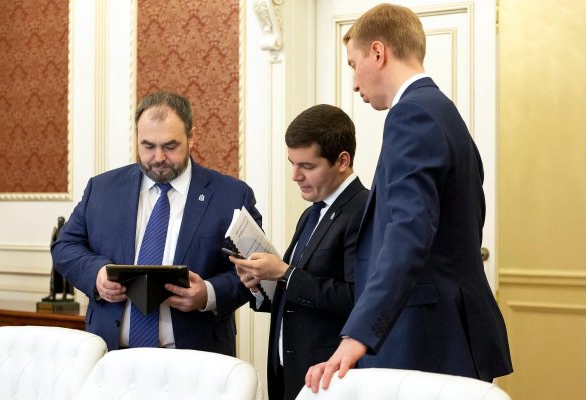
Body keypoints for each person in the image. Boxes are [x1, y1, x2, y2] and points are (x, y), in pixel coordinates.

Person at [306, 3, 513, 392]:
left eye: (353, 64)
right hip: (449, 330)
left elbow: (408, 232)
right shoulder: (442, 111)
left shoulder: (411, 115)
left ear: (378, 53)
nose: (354, 83)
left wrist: (359, 333)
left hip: (424, 336)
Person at [52, 92, 261, 355]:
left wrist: (208, 294)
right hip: (110, 356)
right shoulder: (102, 188)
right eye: (148, 146)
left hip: (198, 360)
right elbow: (65, 246)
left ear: (191, 137)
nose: (159, 157)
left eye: (170, 146)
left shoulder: (231, 196)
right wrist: (96, 274)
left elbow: (255, 272)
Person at [231, 104, 369, 400]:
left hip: (330, 377)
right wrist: (260, 284)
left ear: (342, 161)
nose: (295, 176)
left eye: (307, 166)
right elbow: (295, 296)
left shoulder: (363, 210)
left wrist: (285, 273)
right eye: (292, 163)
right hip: (289, 371)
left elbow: (358, 299)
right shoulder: (311, 213)